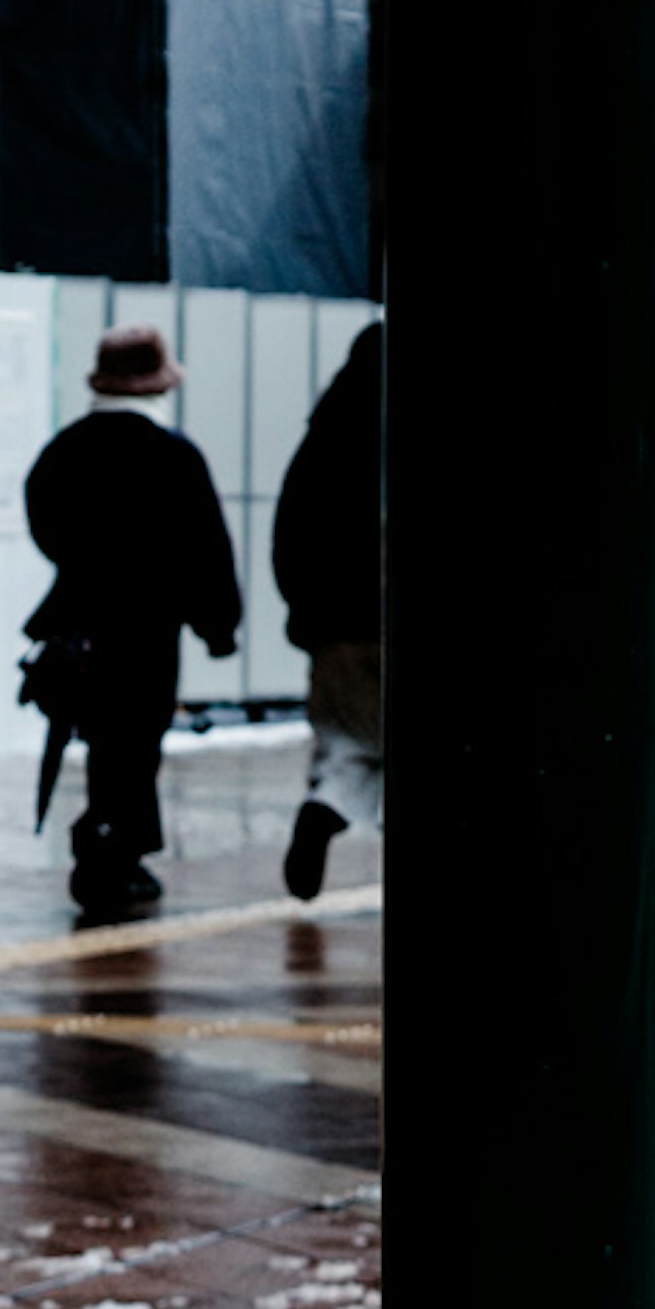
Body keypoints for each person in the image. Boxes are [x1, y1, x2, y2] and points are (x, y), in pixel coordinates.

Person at [21, 324, 240, 921]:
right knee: (136, 741)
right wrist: (218, 625)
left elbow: (43, 521)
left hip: (80, 623)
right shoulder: (174, 454)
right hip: (148, 629)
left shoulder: (65, 450)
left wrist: (81, 563)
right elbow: (206, 545)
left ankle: (106, 840)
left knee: (99, 740)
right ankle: (113, 849)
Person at [267, 317, 381, 900]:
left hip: (333, 625)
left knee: (346, 739)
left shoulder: (324, 438)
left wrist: (303, 608)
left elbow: (289, 533)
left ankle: (325, 806)